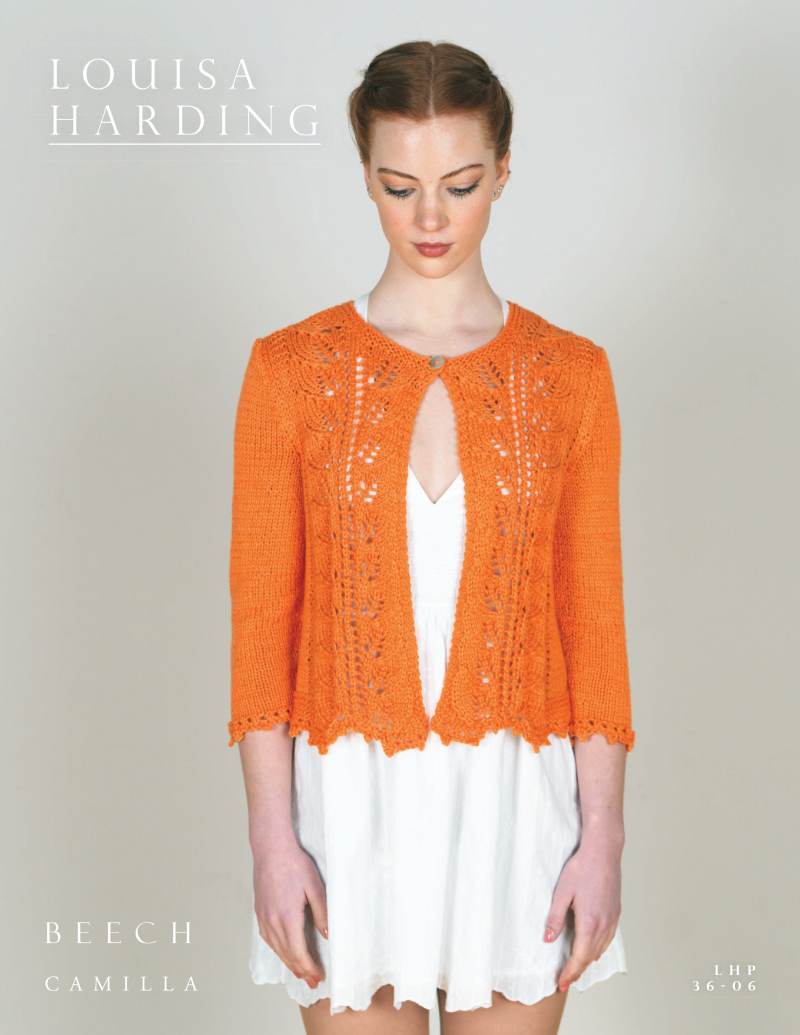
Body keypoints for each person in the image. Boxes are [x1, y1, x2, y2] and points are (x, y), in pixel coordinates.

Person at [228, 40, 636, 1035]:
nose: (429, 219)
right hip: (347, 810)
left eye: (459, 185)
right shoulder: (289, 372)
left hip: (517, 810)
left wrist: (602, 841)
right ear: (364, 175)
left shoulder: (572, 377)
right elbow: (259, 632)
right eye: (398, 186)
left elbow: (593, 628)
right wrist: (272, 843)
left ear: (502, 171)